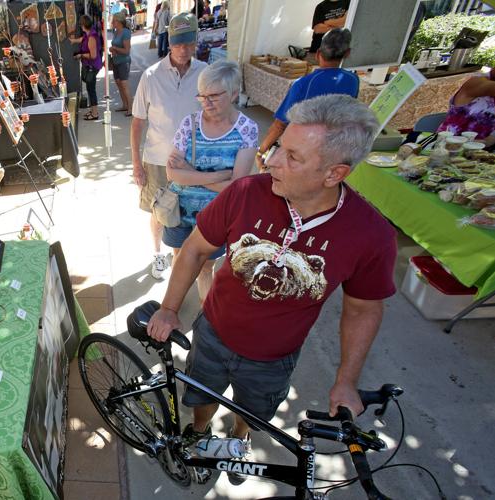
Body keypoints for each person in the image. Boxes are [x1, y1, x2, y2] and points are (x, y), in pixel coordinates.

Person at [147, 94, 396, 485]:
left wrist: (346, 380)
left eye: (293, 157)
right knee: (202, 395)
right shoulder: (246, 192)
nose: (272, 159)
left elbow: (363, 309)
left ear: (334, 174)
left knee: (252, 411)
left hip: (274, 357)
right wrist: (168, 308)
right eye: (279, 146)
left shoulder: (370, 234)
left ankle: (238, 439)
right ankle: (201, 429)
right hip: (213, 332)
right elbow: (195, 248)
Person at [164, 61, 258, 302]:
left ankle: (205, 315)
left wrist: (191, 173)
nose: (206, 103)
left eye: (214, 96)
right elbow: (172, 173)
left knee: (205, 267)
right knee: (179, 258)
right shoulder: (190, 123)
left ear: (235, 93)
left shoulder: (246, 129)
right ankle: (174, 304)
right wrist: (220, 175)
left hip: (216, 216)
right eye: (202, 96)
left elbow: (237, 188)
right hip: (180, 209)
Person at [131, 13, 207, 279]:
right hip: (158, 159)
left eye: (188, 43)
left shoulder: (205, 74)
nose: (183, 50)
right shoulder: (151, 76)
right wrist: (136, 164)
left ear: (195, 41)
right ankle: (157, 255)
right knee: (159, 210)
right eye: (178, 44)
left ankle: (185, 258)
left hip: (194, 161)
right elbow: (138, 123)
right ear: (169, 43)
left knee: (189, 214)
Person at [257, 28, 358, 170]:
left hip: (303, 152)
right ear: (347, 53)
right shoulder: (353, 80)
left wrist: (261, 151)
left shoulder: (303, 83)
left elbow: (279, 125)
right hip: (334, 151)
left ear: (318, 54)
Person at [436, 68, 495, 148]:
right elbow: (490, 88)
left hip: (480, 151)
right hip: (447, 147)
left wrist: (487, 142)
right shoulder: (477, 81)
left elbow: (489, 140)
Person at [70, 15, 102, 121]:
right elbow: (81, 39)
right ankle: (93, 110)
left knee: (91, 89)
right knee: (89, 88)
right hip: (89, 66)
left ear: (83, 25)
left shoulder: (92, 37)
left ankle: (95, 113)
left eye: (80, 24)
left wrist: (81, 55)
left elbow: (93, 55)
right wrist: (73, 40)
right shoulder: (88, 34)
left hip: (92, 66)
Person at [109, 12, 134, 116]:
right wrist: (113, 50)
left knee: (124, 85)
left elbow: (127, 51)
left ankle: (131, 108)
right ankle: (124, 105)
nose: (112, 22)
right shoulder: (116, 32)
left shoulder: (125, 32)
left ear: (118, 21)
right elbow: (117, 47)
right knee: (119, 84)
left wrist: (115, 48)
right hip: (116, 61)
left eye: (113, 20)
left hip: (123, 62)